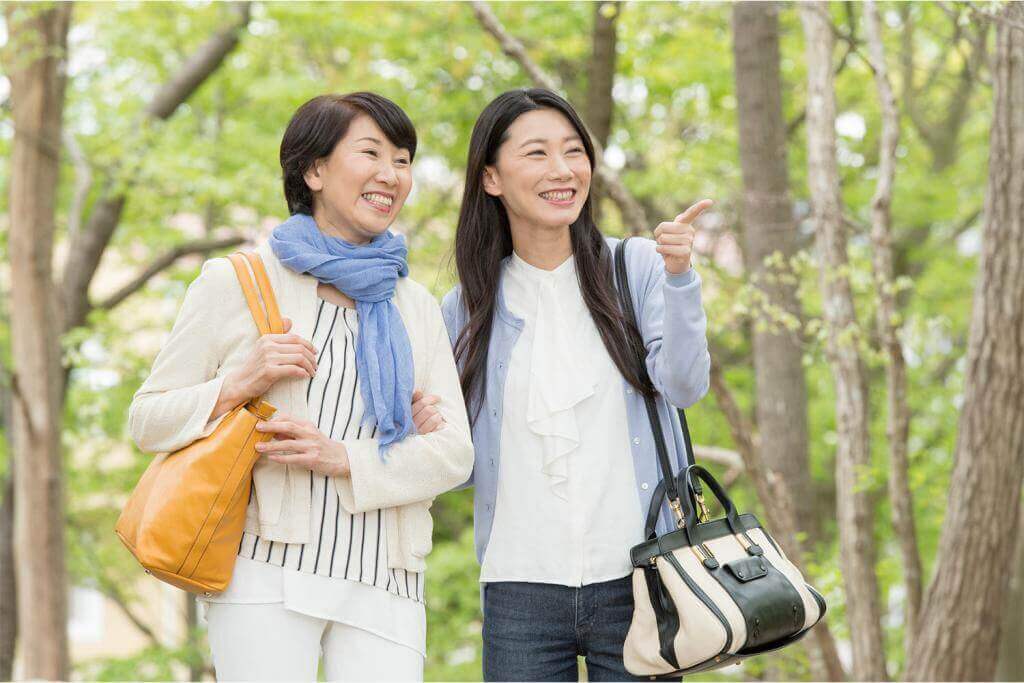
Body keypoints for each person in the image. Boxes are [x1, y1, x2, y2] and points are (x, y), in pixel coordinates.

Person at [128, 92, 472, 682]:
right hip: (266, 571)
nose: (391, 175)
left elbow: (455, 454)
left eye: (403, 159)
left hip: (388, 577)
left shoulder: (414, 305)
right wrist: (238, 383)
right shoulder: (238, 281)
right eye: (371, 154)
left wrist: (344, 457)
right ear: (313, 170)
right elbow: (147, 421)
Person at [440, 88, 712, 681]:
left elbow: (686, 386)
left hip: (641, 578)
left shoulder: (636, 267)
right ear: (491, 178)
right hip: (518, 586)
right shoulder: (465, 307)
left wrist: (680, 279)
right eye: (536, 153)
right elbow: (459, 466)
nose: (563, 170)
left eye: (573, 151)